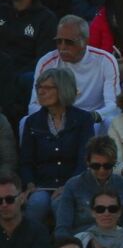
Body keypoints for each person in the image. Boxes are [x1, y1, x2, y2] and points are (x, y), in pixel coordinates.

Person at [19, 68, 92, 228]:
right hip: (42, 185)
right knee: (37, 203)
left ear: (63, 89)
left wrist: (68, 186)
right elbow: (26, 161)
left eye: (47, 88)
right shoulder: (32, 122)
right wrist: (29, 184)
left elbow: (84, 159)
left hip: (72, 183)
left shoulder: (83, 119)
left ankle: (65, 246)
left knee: (62, 203)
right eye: (39, 87)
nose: (41, 92)